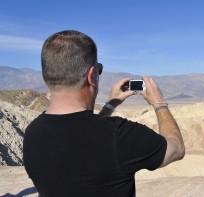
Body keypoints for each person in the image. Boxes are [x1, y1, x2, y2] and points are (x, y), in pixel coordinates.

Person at [23, 30, 185, 197]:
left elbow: (83, 136)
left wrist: (109, 105)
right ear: (91, 75)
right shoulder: (120, 135)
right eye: (99, 70)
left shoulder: (32, 133)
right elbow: (176, 149)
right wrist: (159, 104)